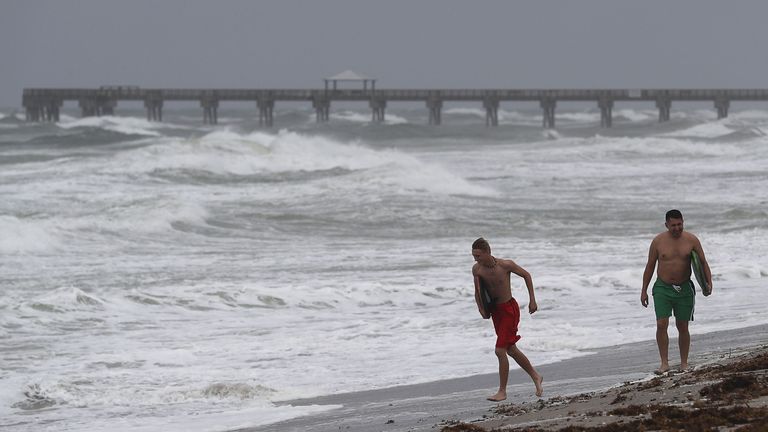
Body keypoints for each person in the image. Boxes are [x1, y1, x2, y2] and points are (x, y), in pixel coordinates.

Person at [471, 237, 543, 401]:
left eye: (478, 255)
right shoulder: (477, 269)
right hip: (496, 312)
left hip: (509, 310)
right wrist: (481, 309)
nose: (476, 259)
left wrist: (532, 299)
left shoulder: (505, 265)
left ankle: (502, 391)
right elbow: (478, 291)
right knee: (511, 349)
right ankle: (536, 376)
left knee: (500, 350)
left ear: (488, 252)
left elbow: (526, 275)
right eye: (474, 256)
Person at [641, 209, 712, 373]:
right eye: (673, 225)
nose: (677, 228)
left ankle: (684, 363)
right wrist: (644, 290)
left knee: (683, 326)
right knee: (661, 324)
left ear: (683, 222)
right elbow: (650, 266)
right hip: (662, 287)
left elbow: (702, 262)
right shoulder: (658, 241)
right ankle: (664, 363)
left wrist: (708, 282)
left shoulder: (692, 240)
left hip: (685, 288)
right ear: (666, 225)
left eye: (679, 224)